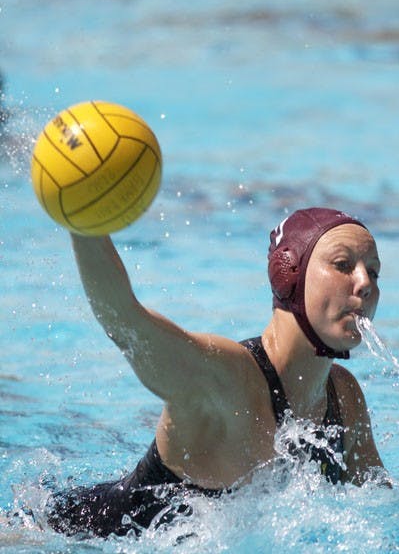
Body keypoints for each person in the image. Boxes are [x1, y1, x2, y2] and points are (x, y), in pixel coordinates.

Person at [46, 207, 387, 538]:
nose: (364, 284)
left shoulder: (343, 396)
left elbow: (382, 505)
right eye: (343, 265)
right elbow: (123, 317)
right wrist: (83, 221)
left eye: (373, 272)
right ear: (289, 273)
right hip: (65, 533)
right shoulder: (225, 378)